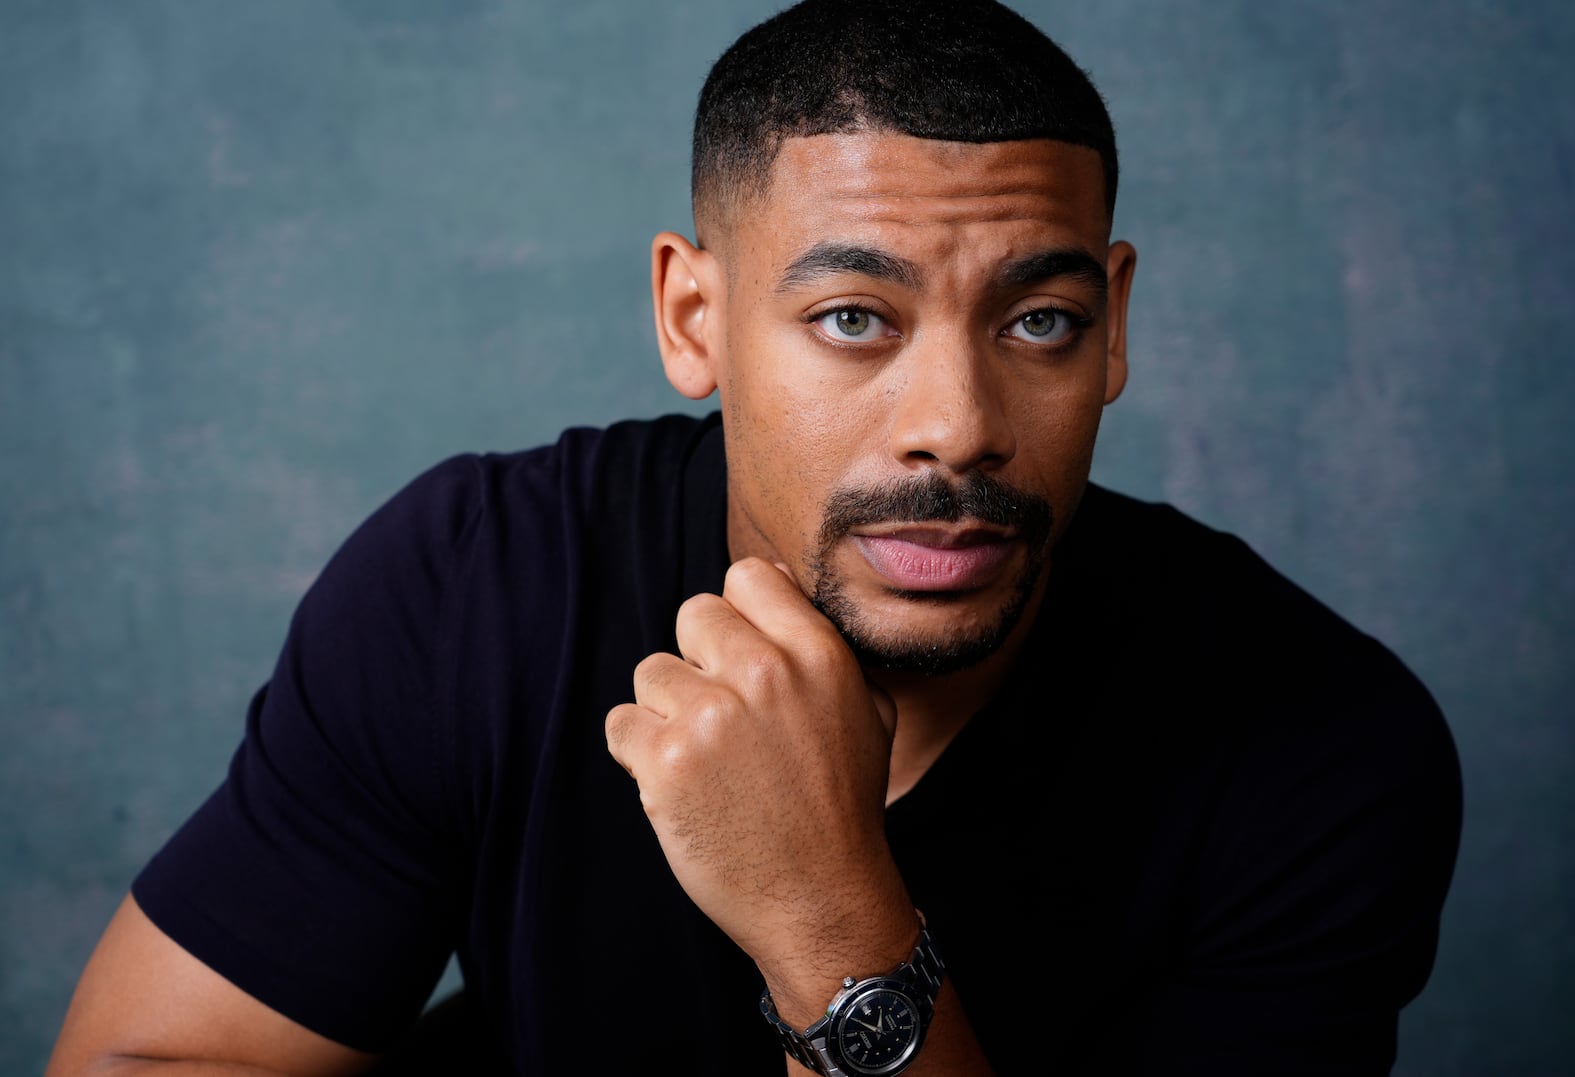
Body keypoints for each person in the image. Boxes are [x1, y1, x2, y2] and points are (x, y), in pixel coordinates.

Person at [46, 1, 1462, 1074]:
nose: (958, 425)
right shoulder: (477, 586)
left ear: (1115, 327)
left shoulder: (1321, 749)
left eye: (1040, 319)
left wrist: (829, 914)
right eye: (856, 318)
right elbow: (159, 1053)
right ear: (695, 320)